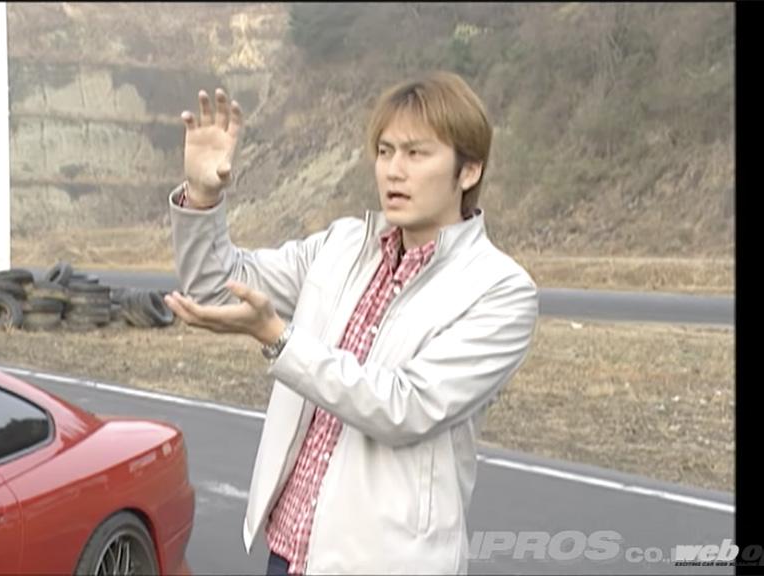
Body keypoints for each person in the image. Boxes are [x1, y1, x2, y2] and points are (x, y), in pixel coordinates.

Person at [164, 71, 538, 575]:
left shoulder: (499, 290)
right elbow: (219, 284)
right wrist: (202, 197)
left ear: (468, 170)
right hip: (289, 552)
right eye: (385, 151)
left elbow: (406, 407)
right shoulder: (343, 245)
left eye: (416, 153)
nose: (394, 171)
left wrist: (277, 338)